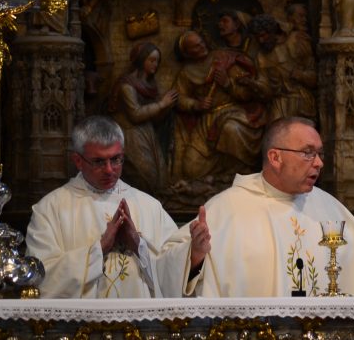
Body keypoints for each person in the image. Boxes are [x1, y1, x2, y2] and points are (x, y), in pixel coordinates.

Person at [160, 117, 354, 297]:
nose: (320, 163)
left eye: (320, 154)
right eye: (307, 153)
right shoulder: (229, 208)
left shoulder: (325, 205)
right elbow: (165, 267)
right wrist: (194, 256)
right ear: (275, 157)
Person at [25, 115, 211, 298]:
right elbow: (40, 277)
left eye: (116, 159)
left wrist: (192, 252)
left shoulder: (149, 206)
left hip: (141, 324)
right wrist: (99, 249)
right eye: (99, 161)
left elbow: (169, 274)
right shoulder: (50, 209)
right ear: (78, 161)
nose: (109, 169)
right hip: (81, 326)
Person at [170, 30, 267, 188]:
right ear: (187, 53)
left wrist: (228, 84)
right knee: (191, 168)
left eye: (201, 42)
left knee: (231, 129)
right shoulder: (186, 73)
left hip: (234, 112)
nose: (201, 47)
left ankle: (236, 178)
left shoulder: (224, 59)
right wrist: (196, 104)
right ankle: (217, 178)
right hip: (207, 120)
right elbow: (179, 98)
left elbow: (247, 94)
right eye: (195, 47)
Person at [108, 42, 178, 194]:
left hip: (146, 132)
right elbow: (135, 114)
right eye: (151, 60)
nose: (155, 64)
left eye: (157, 61)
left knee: (160, 176)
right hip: (130, 133)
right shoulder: (127, 85)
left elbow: (154, 118)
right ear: (141, 60)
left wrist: (167, 108)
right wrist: (162, 104)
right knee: (147, 175)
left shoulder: (149, 85)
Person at [243, 14, 317, 122]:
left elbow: (316, 77)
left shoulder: (296, 40)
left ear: (272, 31)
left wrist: (301, 75)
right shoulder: (261, 57)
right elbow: (266, 89)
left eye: (263, 35)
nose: (261, 41)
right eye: (257, 37)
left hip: (301, 100)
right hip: (278, 105)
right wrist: (252, 83)